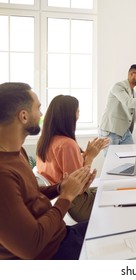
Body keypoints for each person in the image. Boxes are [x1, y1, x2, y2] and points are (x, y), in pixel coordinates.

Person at [0, 82, 96, 259]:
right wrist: (66, 197)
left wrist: (61, 187)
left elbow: (32, 193)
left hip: (60, 235)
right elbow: (31, 246)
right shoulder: (3, 175)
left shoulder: (18, 152)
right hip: (53, 252)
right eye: (38, 108)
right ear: (23, 116)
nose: (42, 114)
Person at [36, 95, 109, 222]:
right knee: (116, 194)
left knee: (109, 188)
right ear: (69, 115)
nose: (79, 115)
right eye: (77, 111)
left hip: (65, 201)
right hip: (77, 205)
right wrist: (90, 157)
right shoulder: (67, 144)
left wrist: (85, 154)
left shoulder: (45, 141)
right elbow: (79, 189)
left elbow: (61, 169)